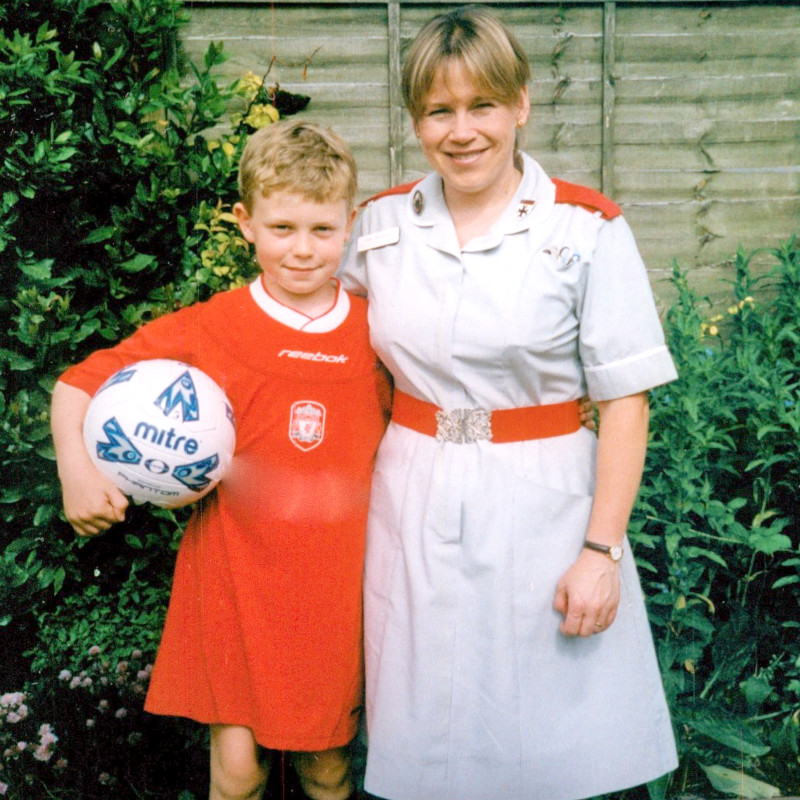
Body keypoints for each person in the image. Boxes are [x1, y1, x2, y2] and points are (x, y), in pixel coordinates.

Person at [338, 6, 680, 800]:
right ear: (417, 120)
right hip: (411, 493)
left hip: (547, 497)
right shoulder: (380, 227)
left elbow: (624, 401)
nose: (463, 132)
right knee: (428, 732)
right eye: (439, 111)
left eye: (483, 105)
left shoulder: (586, 229)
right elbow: (325, 350)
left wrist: (601, 553)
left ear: (521, 103)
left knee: (547, 740)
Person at [50, 120, 391, 800]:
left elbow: (453, 396)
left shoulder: (377, 329)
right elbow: (77, 385)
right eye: (282, 228)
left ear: (350, 223)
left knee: (328, 770)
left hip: (338, 585)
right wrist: (77, 472)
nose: (302, 250)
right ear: (245, 223)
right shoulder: (213, 327)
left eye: (322, 230)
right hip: (235, 572)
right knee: (237, 770)